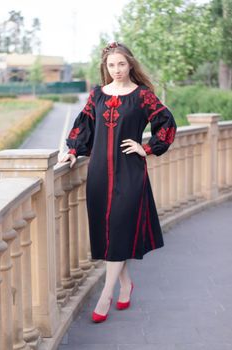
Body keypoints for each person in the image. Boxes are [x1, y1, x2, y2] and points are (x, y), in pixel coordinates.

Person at [60, 41, 177, 323]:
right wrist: (73, 151)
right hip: (99, 173)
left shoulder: (142, 96)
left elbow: (167, 123)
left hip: (130, 172)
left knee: (120, 227)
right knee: (110, 233)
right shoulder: (97, 95)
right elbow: (84, 125)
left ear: (130, 64)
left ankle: (106, 293)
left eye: (121, 64)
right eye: (111, 65)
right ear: (106, 67)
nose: (117, 70)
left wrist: (145, 147)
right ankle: (126, 284)